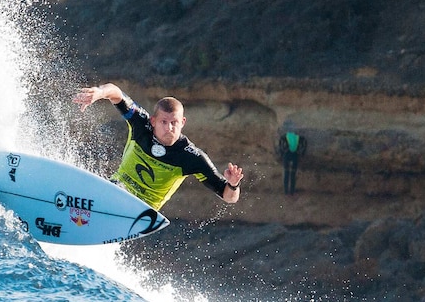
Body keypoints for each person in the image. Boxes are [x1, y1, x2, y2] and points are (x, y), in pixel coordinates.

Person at [72, 83, 243, 211]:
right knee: (109, 188)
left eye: (174, 123)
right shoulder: (141, 123)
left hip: (143, 210)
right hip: (116, 189)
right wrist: (101, 92)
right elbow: (116, 93)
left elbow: (228, 197)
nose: (169, 128)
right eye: (163, 122)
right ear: (153, 121)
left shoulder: (191, 157)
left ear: (182, 123)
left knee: (114, 193)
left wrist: (233, 184)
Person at [277, 127, 307, 195]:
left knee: (286, 173)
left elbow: (281, 146)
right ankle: (292, 191)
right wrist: (302, 153)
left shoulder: (284, 137)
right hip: (295, 155)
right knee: (293, 174)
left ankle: (286, 191)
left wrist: (281, 154)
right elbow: (304, 142)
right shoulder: (298, 137)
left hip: (286, 155)